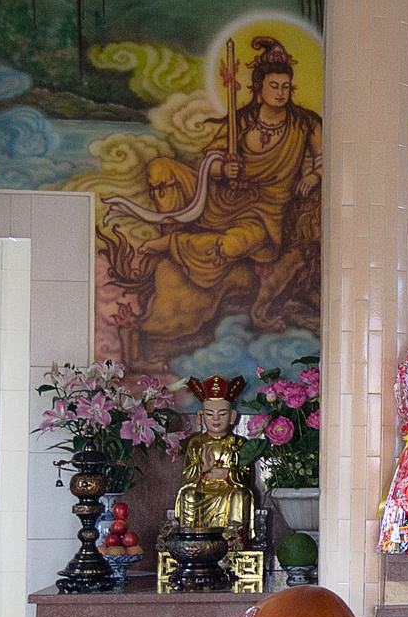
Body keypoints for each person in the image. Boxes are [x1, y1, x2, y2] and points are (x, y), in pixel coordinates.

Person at [107, 36, 324, 366]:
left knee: (231, 246)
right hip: (220, 200)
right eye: (274, 85)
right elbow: (210, 159)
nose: (281, 92)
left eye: (286, 86)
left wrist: (313, 175)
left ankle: (172, 243)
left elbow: (324, 159)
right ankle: (176, 229)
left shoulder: (305, 123)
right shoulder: (242, 120)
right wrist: (225, 167)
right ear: (259, 86)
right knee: (161, 169)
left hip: (263, 214)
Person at [174, 375, 253, 532]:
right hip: (203, 488)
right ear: (201, 417)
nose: (216, 418)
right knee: (188, 495)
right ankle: (191, 537)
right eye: (210, 414)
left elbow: (246, 475)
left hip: (228, 488)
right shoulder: (196, 443)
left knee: (241, 494)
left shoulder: (238, 443)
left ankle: (234, 539)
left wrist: (227, 473)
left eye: (222, 414)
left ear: (232, 417)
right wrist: (203, 468)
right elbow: (186, 475)